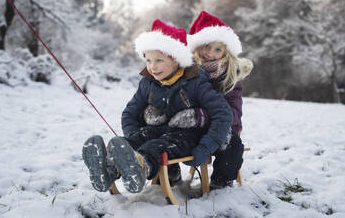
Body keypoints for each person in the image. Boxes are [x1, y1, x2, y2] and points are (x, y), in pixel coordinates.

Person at [82, 19, 233, 194]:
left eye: (159, 60)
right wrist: (134, 136)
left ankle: (142, 167)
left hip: (188, 136)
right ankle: (110, 167)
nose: (153, 67)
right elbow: (130, 113)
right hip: (157, 130)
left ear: (176, 60)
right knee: (141, 138)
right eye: (149, 60)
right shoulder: (148, 83)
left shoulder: (196, 82)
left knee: (158, 145)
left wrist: (206, 146)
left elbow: (223, 114)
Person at [144, 11, 253, 190]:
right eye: (206, 47)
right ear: (196, 47)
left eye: (218, 49)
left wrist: (203, 116)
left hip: (222, 127)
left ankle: (222, 180)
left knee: (232, 145)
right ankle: (171, 172)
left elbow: (233, 111)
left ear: (226, 52)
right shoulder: (185, 71)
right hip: (189, 127)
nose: (210, 53)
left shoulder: (230, 77)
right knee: (165, 135)